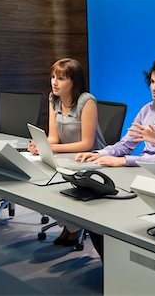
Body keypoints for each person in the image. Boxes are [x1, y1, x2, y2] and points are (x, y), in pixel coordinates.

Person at [28, 57, 106, 245]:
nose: (54, 82)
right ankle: (70, 226)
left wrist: (49, 148)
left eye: (61, 78)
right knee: (42, 184)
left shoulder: (86, 101)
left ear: (74, 82)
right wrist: (42, 146)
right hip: (66, 157)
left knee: (60, 184)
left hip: (91, 160)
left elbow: (86, 144)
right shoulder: (53, 98)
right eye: (53, 77)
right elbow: (53, 136)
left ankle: (73, 227)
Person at [75, 59, 155, 167]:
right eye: (152, 82)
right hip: (143, 168)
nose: (154, 88)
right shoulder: (146, 110)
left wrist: (125, 160)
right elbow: (126, 144)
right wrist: (100, 153)